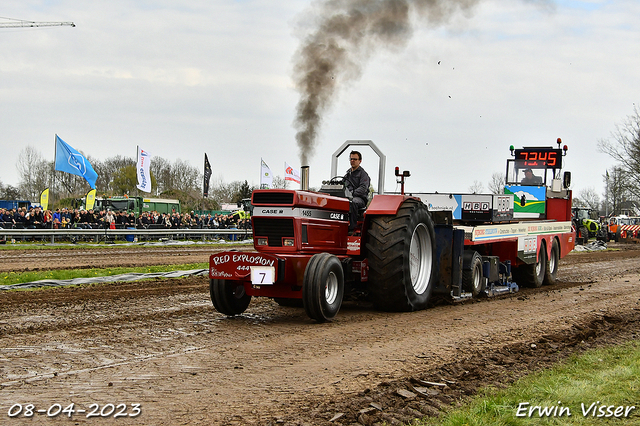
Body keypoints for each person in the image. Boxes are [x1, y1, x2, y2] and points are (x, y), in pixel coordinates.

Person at [343, 150, 371, 232]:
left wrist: (351, 194)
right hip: (348, 197)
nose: (352, 161)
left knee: (353, 202)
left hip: (360, 199)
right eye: (351, 159)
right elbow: (343, 185)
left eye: (355, 159)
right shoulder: (347, 174)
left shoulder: (363, 175)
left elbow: (363, 188)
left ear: (360, 161)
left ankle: (352, 227)